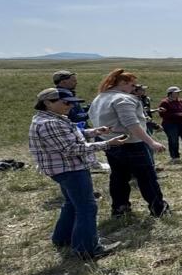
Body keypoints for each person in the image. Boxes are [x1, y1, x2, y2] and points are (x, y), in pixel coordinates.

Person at [27, 87, 123, 260]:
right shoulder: (50, 123)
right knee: (87, 207)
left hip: (64, 170)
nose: (70, 106)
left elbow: (71, 136)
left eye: (72, 103)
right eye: (66, 103)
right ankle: (87, 248)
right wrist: (107, 144)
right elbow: (71, 149)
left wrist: (94, 132)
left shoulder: (51, 119)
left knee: (72, 204)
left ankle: (62, 238)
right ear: (47, 102)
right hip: (71, 169)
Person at [87, 68, 171, 217]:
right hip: (131, 143)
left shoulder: (99, 98)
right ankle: (158, 209)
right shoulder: (123, 99)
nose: (134, 89)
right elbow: (131, 123)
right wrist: (151, 142)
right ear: (122, 83)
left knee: (119, 176)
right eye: (132, 86)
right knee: (147, 177)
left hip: (111, 142)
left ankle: (120, 207)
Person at [156, 86, 182, 160]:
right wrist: (177, 114)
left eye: (178, 92)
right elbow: (162, 114)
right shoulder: (165, 102)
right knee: (173, 140)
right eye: (176, 92)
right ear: (170, 93)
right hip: (170, 124)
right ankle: (175, 157)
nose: (178, 94)